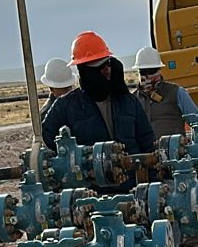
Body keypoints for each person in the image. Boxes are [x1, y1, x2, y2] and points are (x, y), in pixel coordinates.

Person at [41, 31, 155, 159]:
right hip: (92, 179)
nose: (107, 70)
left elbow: (148, 144)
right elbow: (47, 143)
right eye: (100, 67)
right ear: (84, 71)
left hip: (132, 177)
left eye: (108, 64)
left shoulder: (129, 102)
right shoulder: (65, 107)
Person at [133, 45, 198, 140]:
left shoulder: (177, 93)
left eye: (151, 71)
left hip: (175, 152)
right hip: (147, 153)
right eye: (143, 72)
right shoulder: (133, 100)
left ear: (159, 71)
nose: (147, 76)